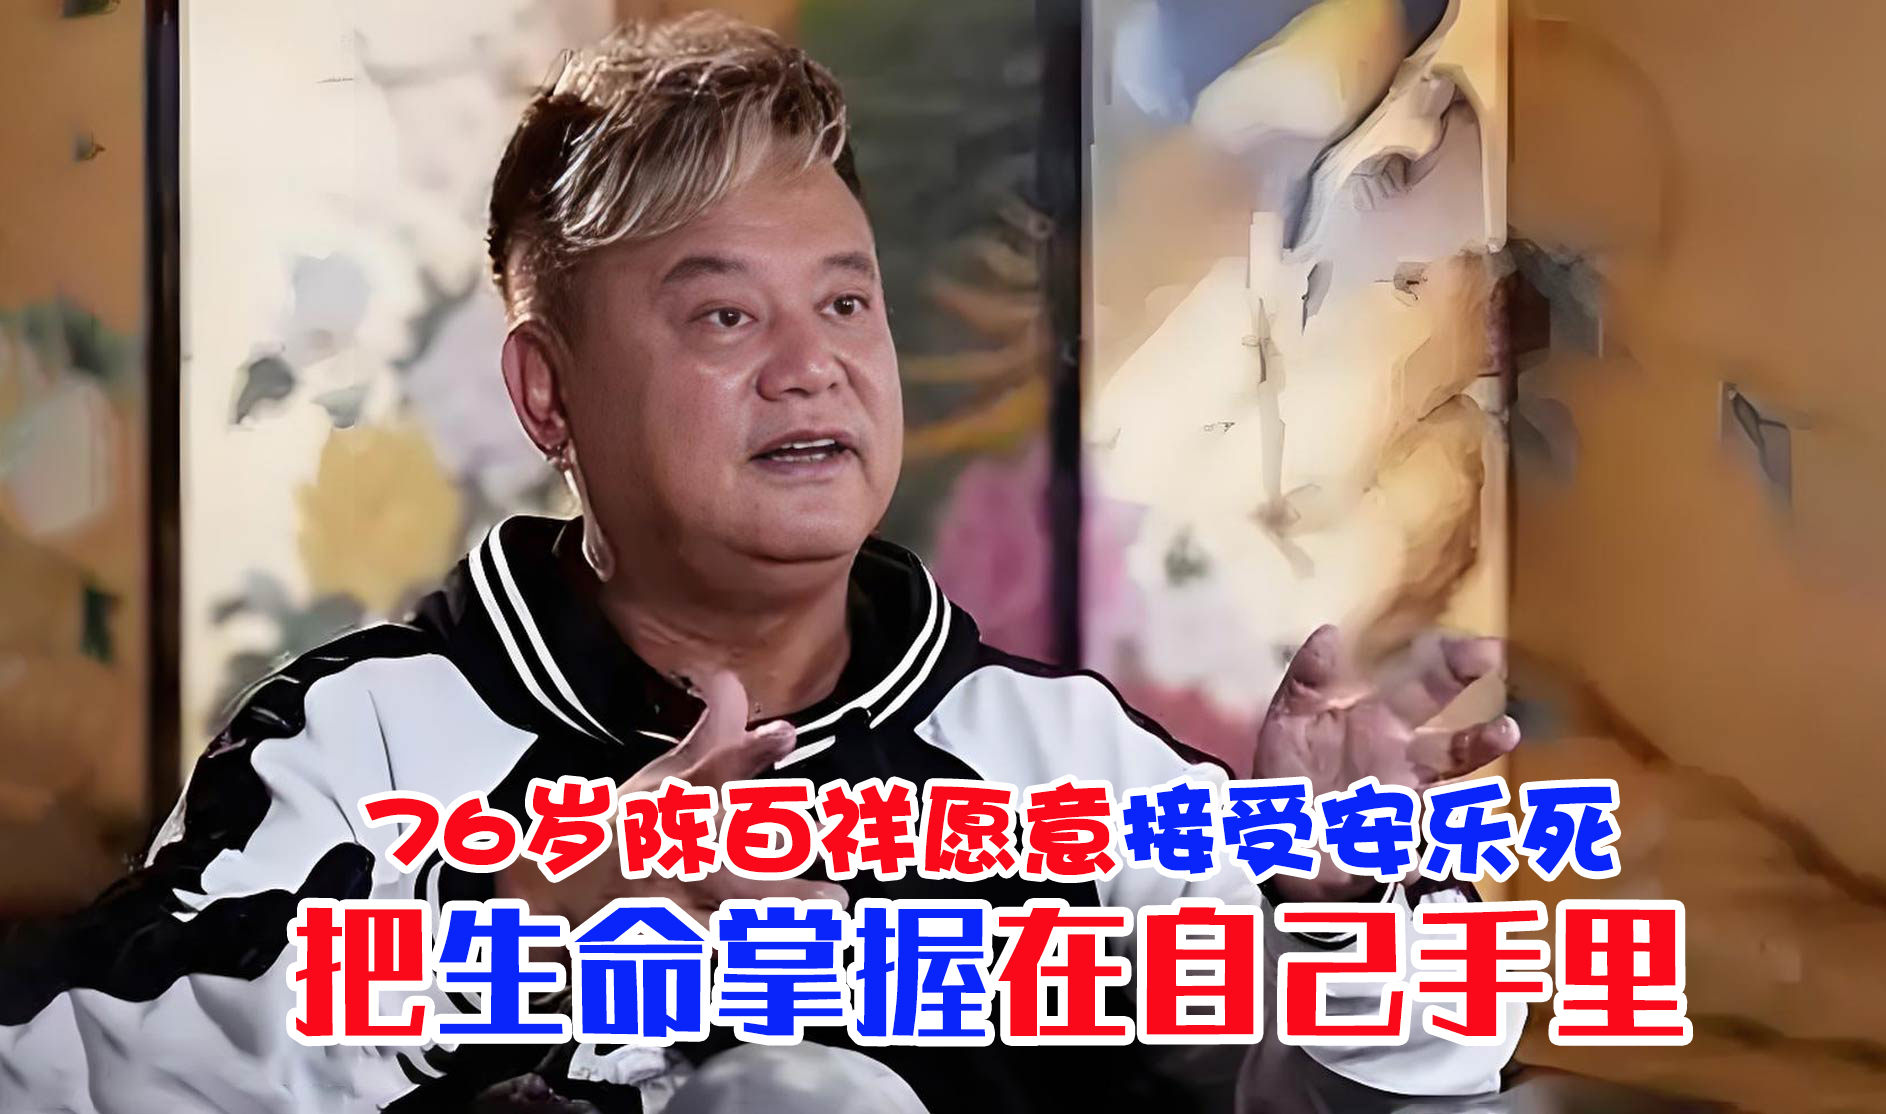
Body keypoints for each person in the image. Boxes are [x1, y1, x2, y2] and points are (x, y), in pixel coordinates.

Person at [0, 14, 1522, 1113]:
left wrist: (1348, 892)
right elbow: (54, 1069)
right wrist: (511, 942)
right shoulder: (363, 739)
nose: (814, 368)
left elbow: (1428, 1062)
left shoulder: (1061, 760)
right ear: (549, 395)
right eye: (726, 316)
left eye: (846, 305)